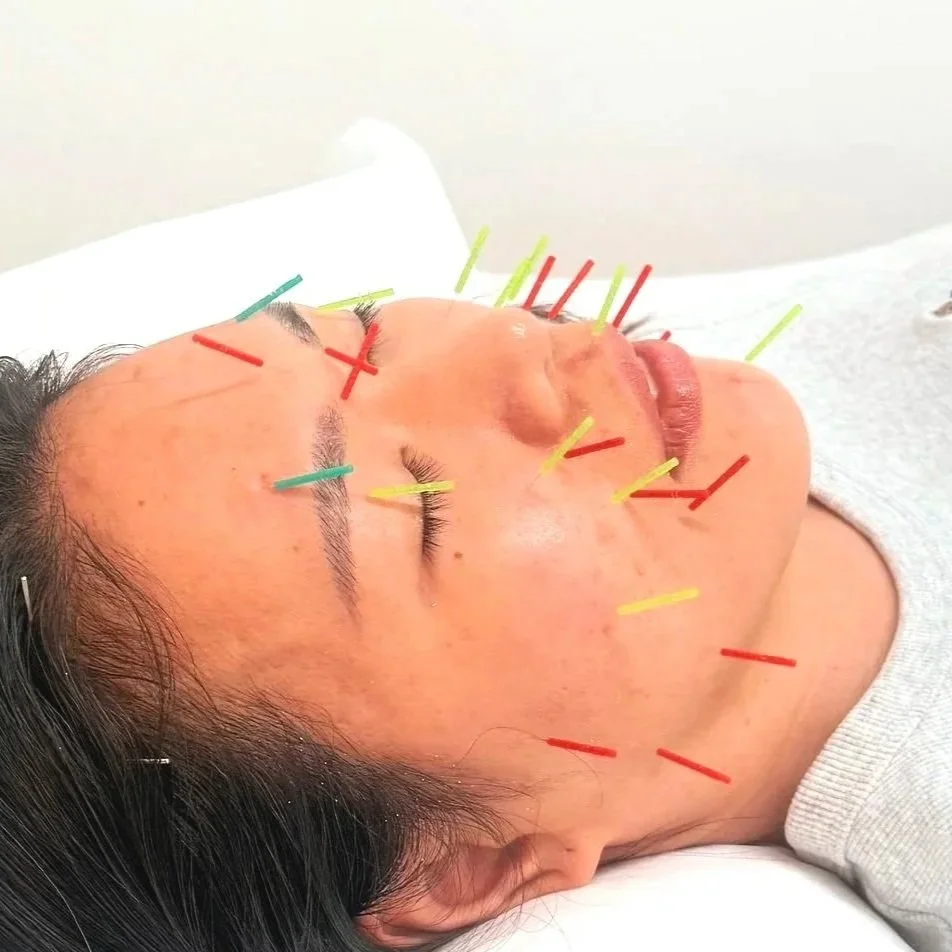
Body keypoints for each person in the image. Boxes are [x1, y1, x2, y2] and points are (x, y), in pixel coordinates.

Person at [0, 282, 948, 952]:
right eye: (419, 503)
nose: (519, 343)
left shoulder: (677, 388)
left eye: (364, 332)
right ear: (463, 873)